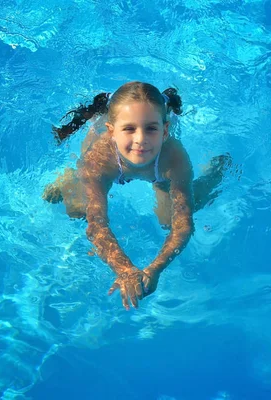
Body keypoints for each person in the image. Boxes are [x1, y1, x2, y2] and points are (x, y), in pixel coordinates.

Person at [43, 81, 230, 310]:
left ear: (165, 131)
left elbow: (183, 225)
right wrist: (124, 269)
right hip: (108, 165)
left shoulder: (174, 157)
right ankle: (67, 176)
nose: (141, 139)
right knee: (77, 211)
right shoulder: (98, 159)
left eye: (151, 128)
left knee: (168, 220)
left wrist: (156, 268)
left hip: (159, 169)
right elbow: (97, 225)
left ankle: (214, 174)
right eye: (129, 129)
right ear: (112, 131)